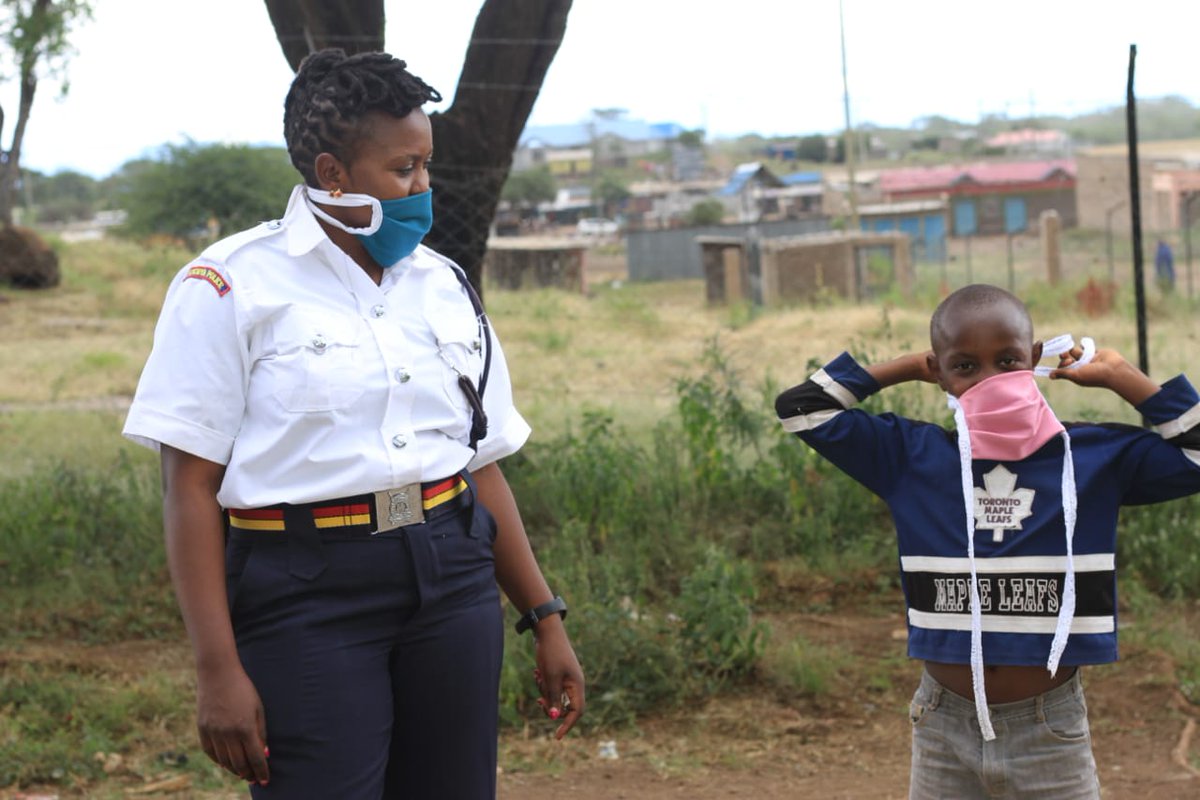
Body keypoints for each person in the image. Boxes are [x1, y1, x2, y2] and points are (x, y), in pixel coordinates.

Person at [122, 49, 585, 798]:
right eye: (404, 170)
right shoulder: (232, 285)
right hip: (307, 589)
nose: (424, 189)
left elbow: (480, 459)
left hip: (450, 573)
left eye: (428, 166)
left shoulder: (442, 286)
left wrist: (544, 614)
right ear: (333, 173)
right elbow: (189, 487)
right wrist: (216, 669)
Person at [774, 284, 1200, 798]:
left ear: (1036, 358)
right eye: (966, 367)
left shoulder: (1089, 458)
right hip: (941, 728)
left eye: (1007, 360)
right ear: (941, 373)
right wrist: (914, 365)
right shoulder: (912, 459)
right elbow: (802, 408)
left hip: (1051, 731)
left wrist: (1121, 378)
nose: (991, 380)